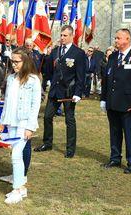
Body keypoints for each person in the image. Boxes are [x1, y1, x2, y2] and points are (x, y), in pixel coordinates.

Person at [0, 47, 41, 204]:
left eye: (16, 61)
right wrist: (1, 122)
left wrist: (30, 127)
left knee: (16, 154)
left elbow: (35, 105)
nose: (13, 64)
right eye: (12, 61)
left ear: (25, 61)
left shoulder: (33, 80)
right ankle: (21, 188)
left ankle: (17, 188)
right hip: (11, 121)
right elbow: (7, 102)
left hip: (24, 123)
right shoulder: (11, 79)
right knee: (15, 154)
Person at [100, 28, 131, 174]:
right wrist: (103, 99)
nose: (115, 40)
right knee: (114, 131)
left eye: (118, 38)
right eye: (115, 38)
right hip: (112, 101)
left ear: (127, 39)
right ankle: (115, 158)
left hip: (128, 103)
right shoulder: (113, 56)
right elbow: (107, 79)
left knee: (129, 133)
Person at [34, 25, 86, 158]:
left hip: (69, 92)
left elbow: (81, 75)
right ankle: (47, 142)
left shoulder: (78, 53)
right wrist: (45, 57)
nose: (62, 38)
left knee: (69, 120)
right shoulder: (55, 51)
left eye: (65, 35)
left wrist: (78, 93)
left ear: (71, 36)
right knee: (47, 117)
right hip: (55, 90)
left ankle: (70, 149)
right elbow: (48, 70)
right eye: (61, 35)